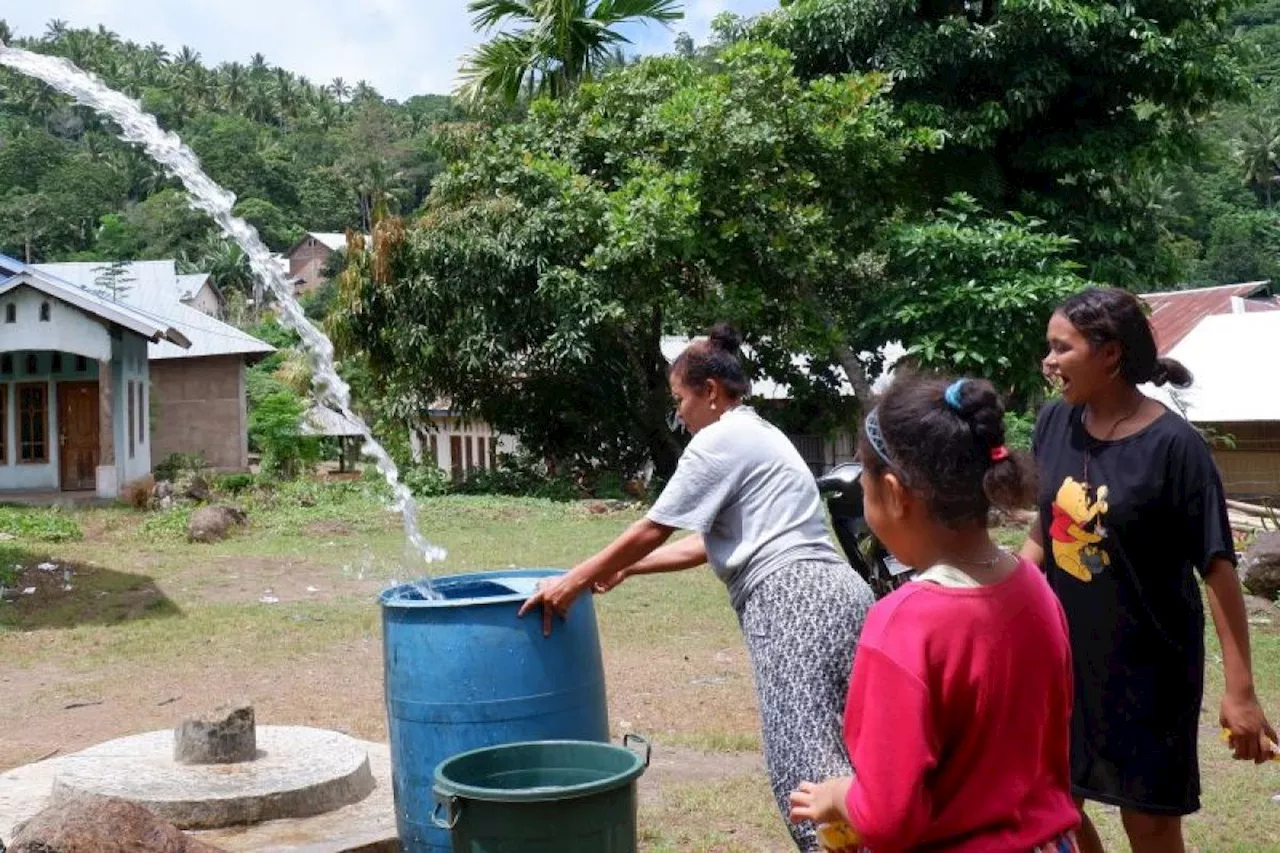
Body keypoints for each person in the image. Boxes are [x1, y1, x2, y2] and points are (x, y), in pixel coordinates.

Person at [519, 323, 875, 852]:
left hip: (794, 604)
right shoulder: (760, 433)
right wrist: (629, 570)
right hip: (840, 594)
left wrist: (575, 579)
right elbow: (710, 543)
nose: (679, 415)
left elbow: (652, 527)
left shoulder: (719, 439)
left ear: (710, 392)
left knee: (803, 769)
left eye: (680, 400)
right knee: (850, 759)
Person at [1023, 287, 1276, 853]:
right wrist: (999, 593)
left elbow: (1217, 569)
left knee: (1150, 825)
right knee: (1052, 803)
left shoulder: (1174, 447)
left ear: (1109, 353)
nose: (1049, 361)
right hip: (1063, 660)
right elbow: (1045, 525)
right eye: (1049, 347)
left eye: (1062, 348)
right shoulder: (1053, 424)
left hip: (1149, 671)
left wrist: (1241, 692)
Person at [789, 374, 1080, 853]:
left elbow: (887, 820)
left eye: (863, 481)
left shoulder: (904, 624)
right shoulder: (1036, 589)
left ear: (894, 493)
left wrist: (840, 795)